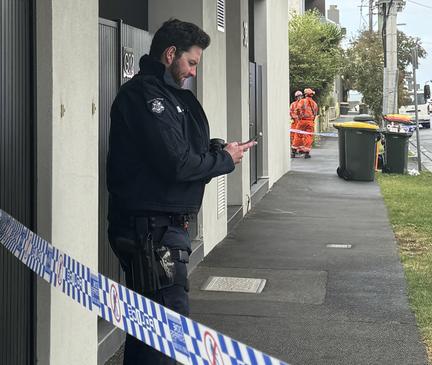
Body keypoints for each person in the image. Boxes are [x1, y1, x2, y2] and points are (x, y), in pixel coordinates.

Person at [106, 19, 255, 365]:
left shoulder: (168, 97)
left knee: (151, 333)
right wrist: (223, 159)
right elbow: (176, 163)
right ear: (170, 53)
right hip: (152, 232)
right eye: (191, 63)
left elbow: (183, 151)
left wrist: (216, 151)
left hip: (162, 229)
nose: (192, 72)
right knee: (167, 333)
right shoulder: (147, 97)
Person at [292, 88, 319, 158]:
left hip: (302, 121)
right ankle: (307, 153)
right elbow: (315, 114)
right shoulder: (315, 104)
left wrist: (299, 116)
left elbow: (297, 109)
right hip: (310, 122)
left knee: (298, 135)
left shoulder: (302, 101)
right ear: (311, 95)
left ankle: (294, 151)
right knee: (308, 136)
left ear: (305, 94)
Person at [289, 90, 303, 158]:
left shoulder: (304, 104)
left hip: (301, 122)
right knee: (293, 136)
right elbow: (290, 112)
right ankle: (295, 149)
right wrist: (294, 117)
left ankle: (300, 149)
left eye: (300, 96)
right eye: (298, 96)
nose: (299, 97)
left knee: (301, 136)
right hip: (295, 122)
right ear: (296, 97)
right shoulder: (293, 104)